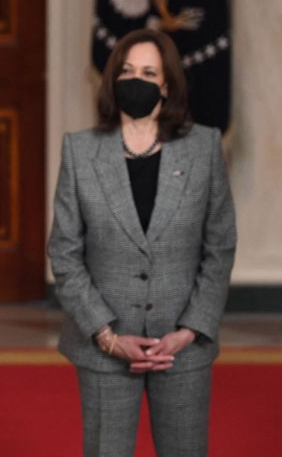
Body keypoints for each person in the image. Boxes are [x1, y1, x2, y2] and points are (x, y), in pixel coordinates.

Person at [48, 28, 236, 456]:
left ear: (167, 84)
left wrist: (190, 330)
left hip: (182, 348)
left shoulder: (203, 147)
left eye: (149, 72)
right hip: (104, 345)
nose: (137, 80)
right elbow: (64, 251)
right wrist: (106, 335)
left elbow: (220, 244)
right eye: (128, 71)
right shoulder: (80, 151)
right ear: (113, 79)